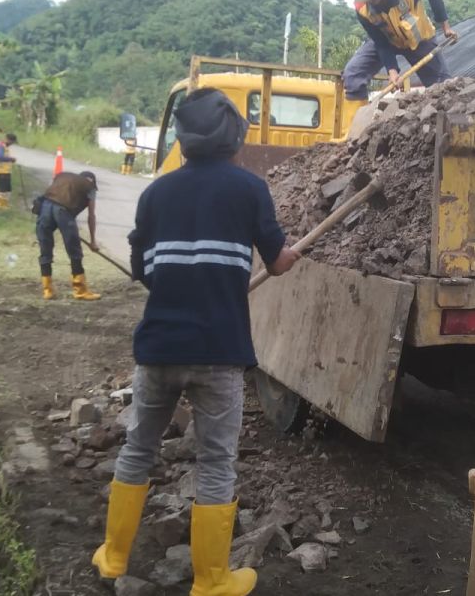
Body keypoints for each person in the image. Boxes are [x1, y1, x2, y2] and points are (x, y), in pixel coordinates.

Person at [91, 88, 299, 594]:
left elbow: (143, 267)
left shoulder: (155, 194)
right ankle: (211, 579)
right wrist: (290, 256)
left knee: (139, 447)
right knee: (216, 460)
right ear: (235, 137)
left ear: (182, 140)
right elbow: (275, 261)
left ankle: (114, 556)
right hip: (218, 353)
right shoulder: (250, 190)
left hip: (159, 347)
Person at [343, 0, 457, 101]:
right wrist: (392, 70)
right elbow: (380, 42)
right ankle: (357, 119)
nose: (370, 0)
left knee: (443, 86)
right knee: (353, 74)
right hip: (388, 41)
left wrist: (445, 26)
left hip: (420, 40)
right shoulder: (362, 9)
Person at [36, 170, 102, 301]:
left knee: (45, 249)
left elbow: (49, 193)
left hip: (45, 208)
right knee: (75, 252)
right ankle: (80, 291)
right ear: (92, 181)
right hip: (62, 212)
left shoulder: (63, 177)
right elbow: (91, 216)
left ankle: (47, 291)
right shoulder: (90, 187)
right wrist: (93, 241)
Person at [0, 133, 17, 209]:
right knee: (2, 189)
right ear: (8, 140)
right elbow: (0, 157)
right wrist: (11, 159)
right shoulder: (1, 146)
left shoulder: (5, 147)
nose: (12, 144)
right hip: (2, 171)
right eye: (12, 142)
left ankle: (5, 204)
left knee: (7, 188)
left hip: (6, 171)